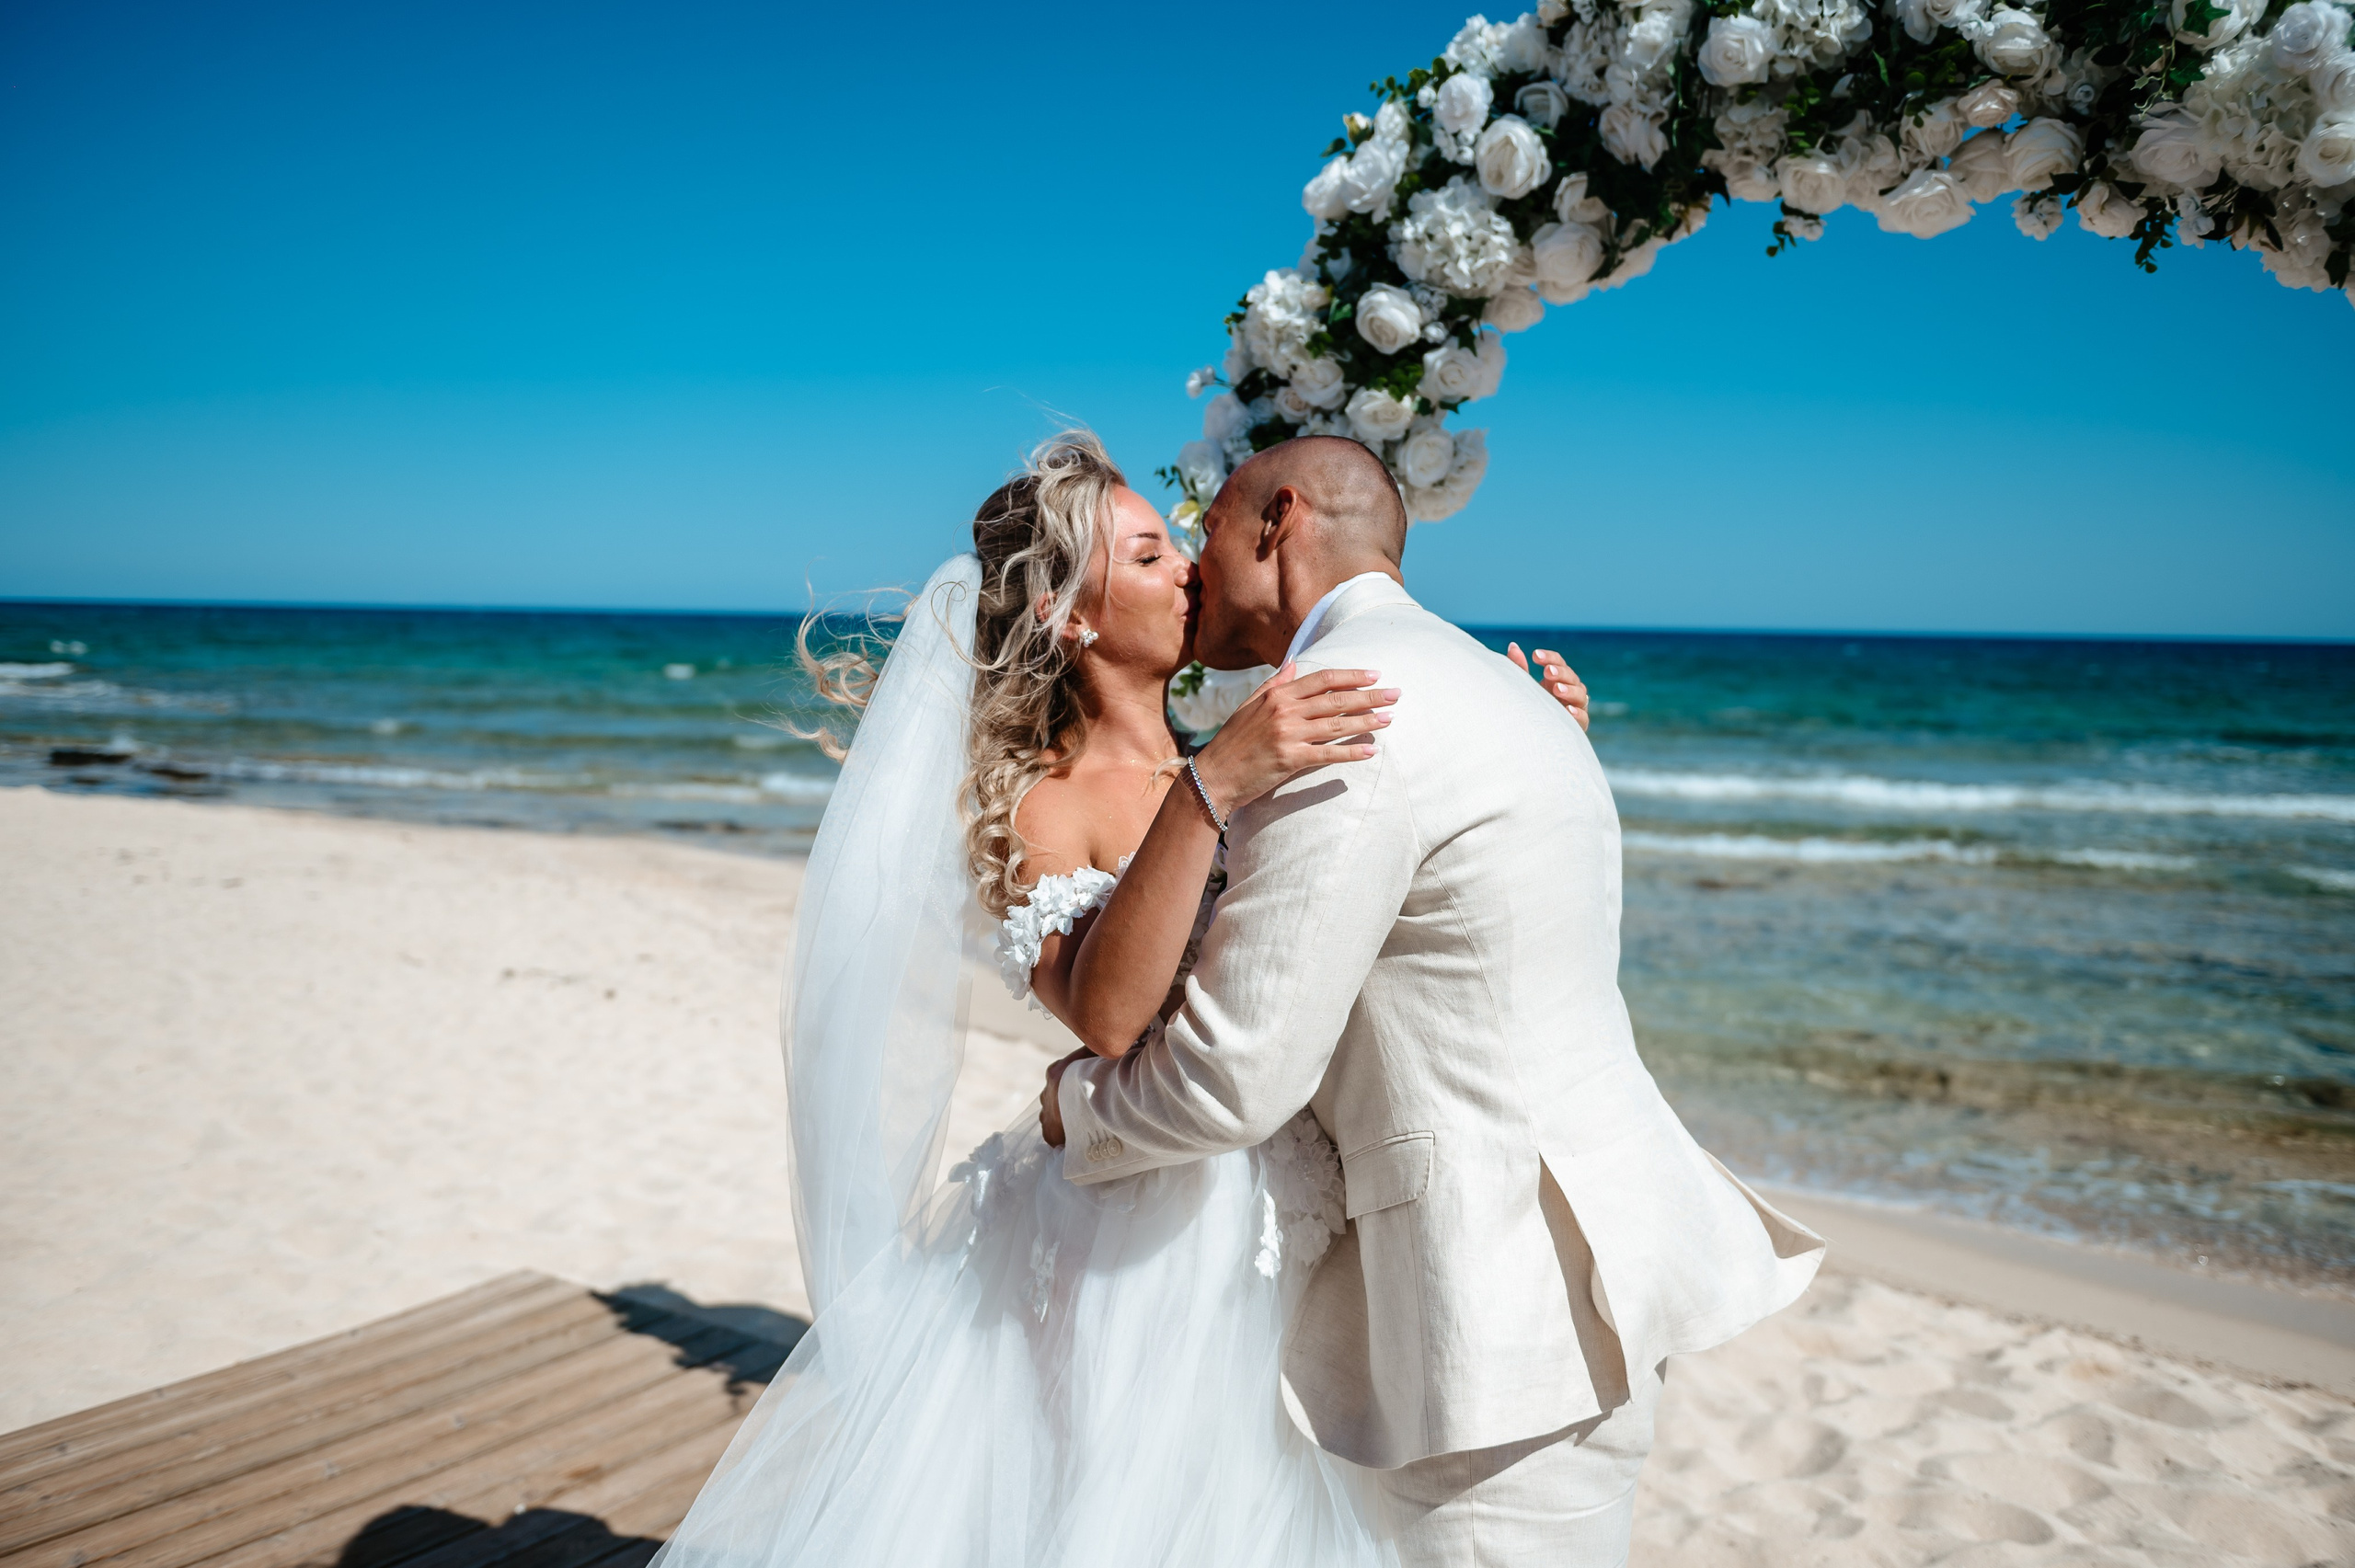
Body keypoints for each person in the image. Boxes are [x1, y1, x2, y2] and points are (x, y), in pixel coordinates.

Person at [650, 429, 1594, 1568]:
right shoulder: (1055, 801)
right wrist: (1211, 789)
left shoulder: (1235, 743)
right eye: (1150, 556)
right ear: (1068, 616)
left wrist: (1514, 741)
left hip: (1285, 1215)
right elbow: (1104, 1014)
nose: (1193, 568)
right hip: (1146, 1227)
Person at [1040, 434, 1827, 1566]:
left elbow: (1230, 1079)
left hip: (1493, 1317)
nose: (1194, 564)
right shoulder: (1487, 689)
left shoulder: (1349, 720)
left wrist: (1077, 1110)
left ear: (1278, 521)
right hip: (1586, 1276)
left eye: (1202, 528)